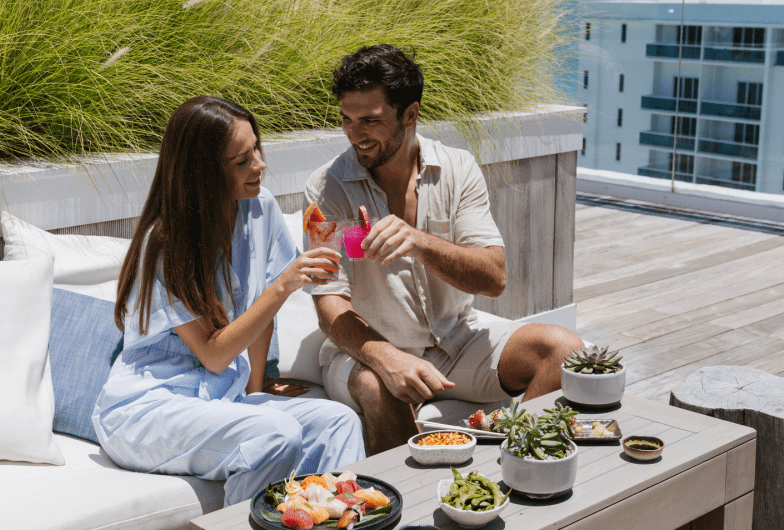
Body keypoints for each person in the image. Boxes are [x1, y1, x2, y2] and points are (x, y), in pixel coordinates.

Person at [304, 45, 584, 454]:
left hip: (458, 341)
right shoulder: (324, 189)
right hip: (367, 352)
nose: (354, 133)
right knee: (378, 388)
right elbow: (329, 305)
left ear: (410, 115)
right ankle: (402, 507)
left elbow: (494, 277)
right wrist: (387, 358)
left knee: (564, 349)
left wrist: (420, 243)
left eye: (370, 121)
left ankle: (520, 467)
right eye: (347, 119)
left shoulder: (459, 169)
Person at [93, 95, 365, 506]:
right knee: (275, 433)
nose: (260, 164)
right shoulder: (165, 242)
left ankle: (342, 516)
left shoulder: (260, 208)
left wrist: (256, 394)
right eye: (241, 161)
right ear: (203, 174)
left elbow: (262, 320)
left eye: (256, 148)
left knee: (338, 421)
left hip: (223, 398)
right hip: (149, 410)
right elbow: (214, 355)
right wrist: (281, 286)